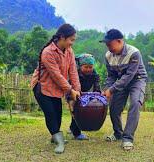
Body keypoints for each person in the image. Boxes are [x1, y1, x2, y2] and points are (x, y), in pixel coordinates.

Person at [30, 24, 81, 154]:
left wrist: (77, 90)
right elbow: (56, 76)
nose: (72, 43)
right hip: (42, 87)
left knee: (58, 115)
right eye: (71, 40)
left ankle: (55, 136)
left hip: (56, 89)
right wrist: (70, 90)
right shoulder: (48, 52)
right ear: (62, 37)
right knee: (51, 115)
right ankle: (59, 141)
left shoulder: (69, 51)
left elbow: (73, 72)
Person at [99, 29, 148, 150]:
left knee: (135, 103)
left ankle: (128, 138)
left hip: (137, 79)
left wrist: (112, 90)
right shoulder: (108, 55)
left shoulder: (134, 53)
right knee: (114, 106)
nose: (108, 47)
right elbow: (111, 76)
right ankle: (118, 133)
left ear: (120, 41)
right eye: (106, 44)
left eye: (110, 44)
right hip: (120, 81)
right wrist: (106, 89)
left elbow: (129, 76)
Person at [67, 53, 101, 140]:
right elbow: (70, 86)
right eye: (86, 67)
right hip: (72, 92)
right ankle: (77, 133)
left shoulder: (95, 75)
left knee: (80, 111)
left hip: (84, 93)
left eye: (90, 67)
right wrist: (72, 97)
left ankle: (72, 128)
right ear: (80, 66)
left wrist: (97, 95)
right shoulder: (75, 73)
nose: (88, 69)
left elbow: (97, 87)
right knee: (75, 111)